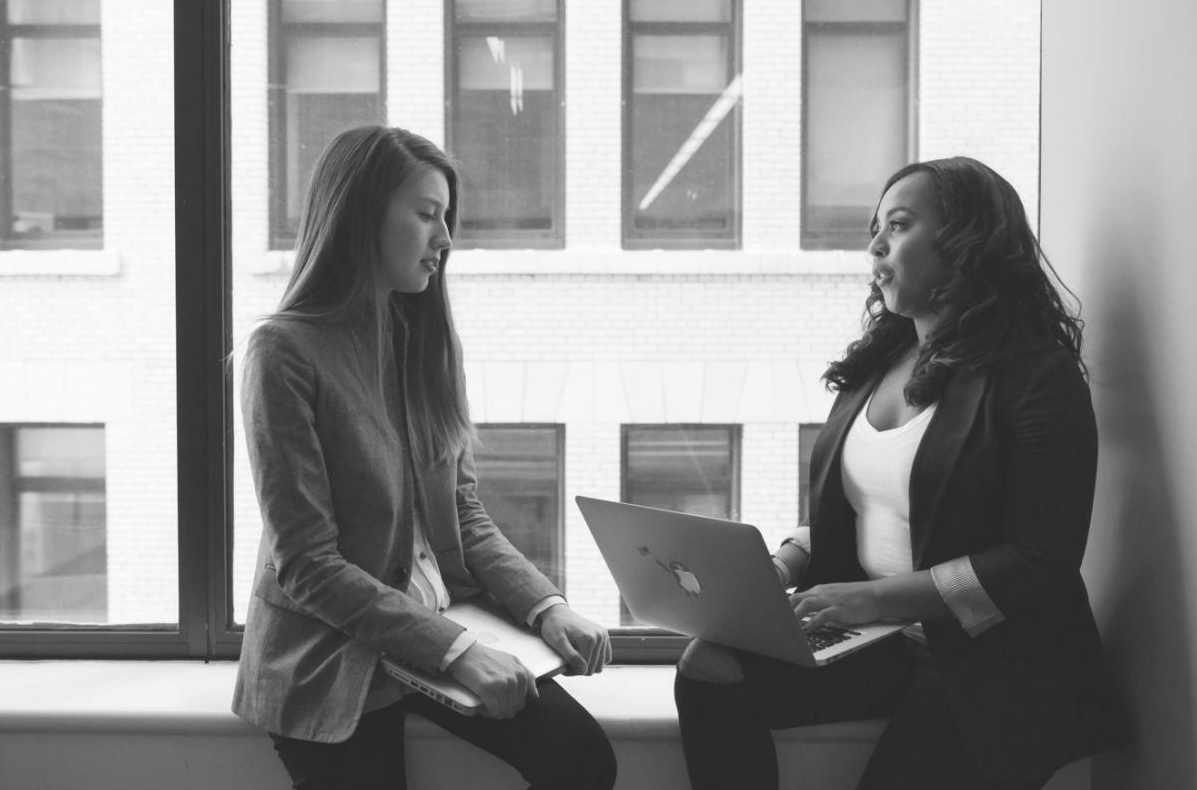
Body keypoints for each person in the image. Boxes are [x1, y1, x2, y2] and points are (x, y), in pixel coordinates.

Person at [673, 157, 1129, 790]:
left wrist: (871, 598)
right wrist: (777, 568)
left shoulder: (1036, 375)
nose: (876, 245)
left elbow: (1040, 560)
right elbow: (863, 507)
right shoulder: (877, 364)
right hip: (882, 639)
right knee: (709, 665)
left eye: (899, 225)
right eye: (875, 230)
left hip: (994, 661)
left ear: (967, 240)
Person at [233, 125, 617, 790]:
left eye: (447, 217)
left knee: (584, 758)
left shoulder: (426, 341)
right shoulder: (283, 353)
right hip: (332, 648)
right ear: (361, 217)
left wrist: (545, 606)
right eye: (426, 214)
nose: (445, 238)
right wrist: (456, 651)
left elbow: (462, 512)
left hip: (438, 622)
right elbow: (307, 564)